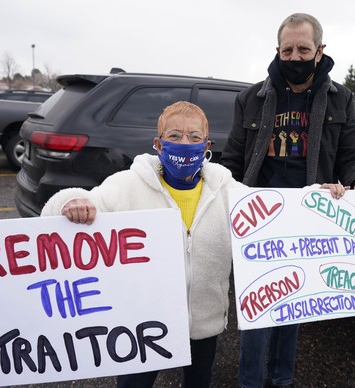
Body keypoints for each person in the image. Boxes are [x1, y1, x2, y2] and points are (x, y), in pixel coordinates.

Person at [221, 13, 355, 388]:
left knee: (294, 301)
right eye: (287, 50)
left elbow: (350, 154)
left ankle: (281, 380)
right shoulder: (250, 98)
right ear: (277, 51)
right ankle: (249, 382)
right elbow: (232, 158)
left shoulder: (341, 98)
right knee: (259, 307)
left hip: (309, 216)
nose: (294, 57)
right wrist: (219, 191)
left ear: (320, 51)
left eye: (303, 49)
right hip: (259, 215)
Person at [40, 101, 245, 388]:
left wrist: (319, 197)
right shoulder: (126, 185)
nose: (185, 143)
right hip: (142, 324)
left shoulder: (226, 189)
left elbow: (272, 211)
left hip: (203, 322)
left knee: (199, 382)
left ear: (207, 144)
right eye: (174, 135)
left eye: (194, 137)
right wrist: (70, 203)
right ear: (158, 145)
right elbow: (66, 211)